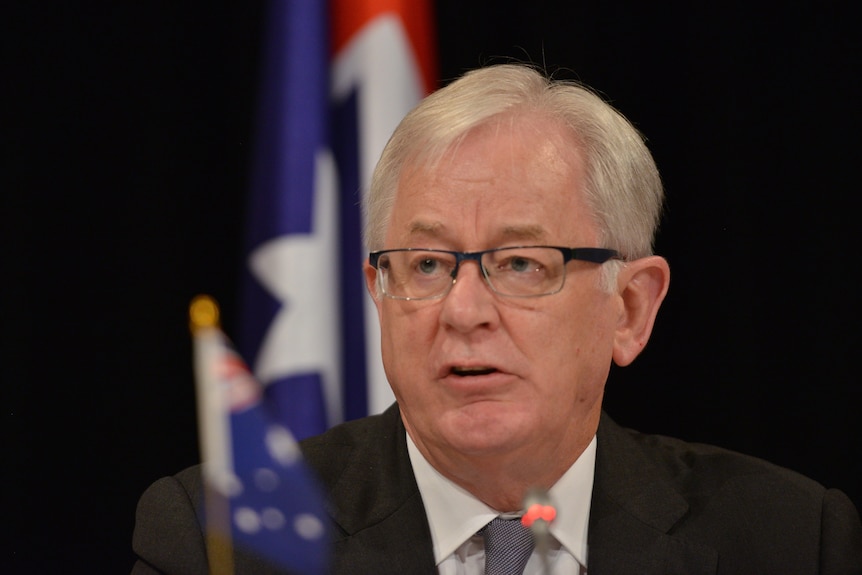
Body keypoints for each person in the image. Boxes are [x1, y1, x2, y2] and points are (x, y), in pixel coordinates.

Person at [132, 64, 862, 574]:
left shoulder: (791, 539)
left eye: (521, 264)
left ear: (631, 308)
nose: (464, 310)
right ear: (377, 290)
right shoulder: (221, 542)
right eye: (425, 264)